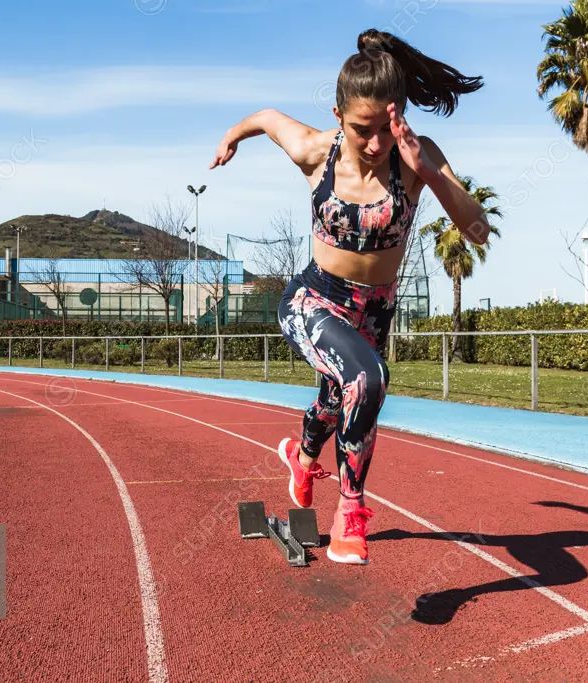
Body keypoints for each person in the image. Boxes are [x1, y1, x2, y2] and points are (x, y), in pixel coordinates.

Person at [210, 29, 492, 564]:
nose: (374, 144)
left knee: (338, 400)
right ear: (339, 116)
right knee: (367, 379)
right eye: (362, 130)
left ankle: (301, 453)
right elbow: (268, 118)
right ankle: (351, 511)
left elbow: (477, 231)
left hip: (374, 312)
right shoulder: (316, 151)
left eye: (386, 129)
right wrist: (231, 135)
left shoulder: (416, 159)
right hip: (313, 302)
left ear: (400, 116)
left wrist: (429, 172)